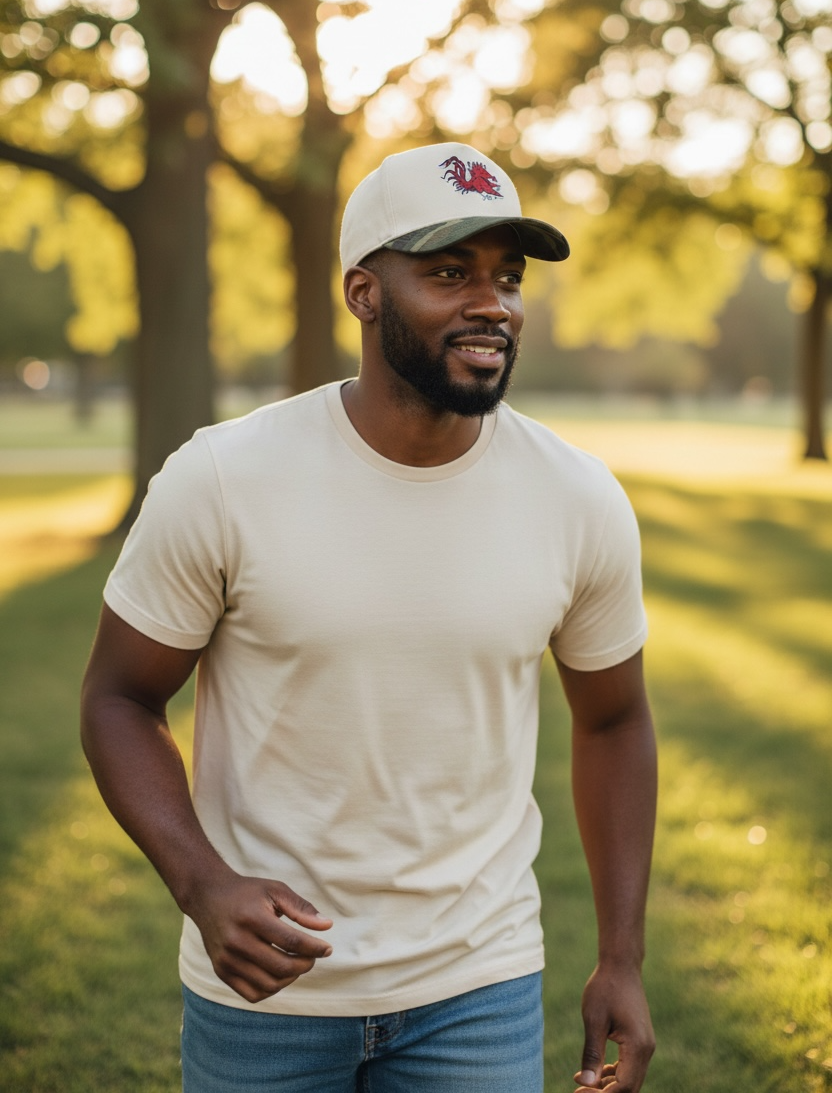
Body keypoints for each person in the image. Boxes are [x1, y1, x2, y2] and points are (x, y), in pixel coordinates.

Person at [81, 142, 657, 1093]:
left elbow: (615, 719)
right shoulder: (224, 478)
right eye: (448, 272)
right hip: (266, 997)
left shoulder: (579, 497)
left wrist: (622, 956)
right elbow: (118, 698)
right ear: (363, 292)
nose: (493, 304)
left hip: (481, 985)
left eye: (507, 277)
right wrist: (201, 883)